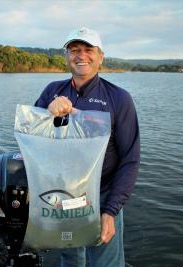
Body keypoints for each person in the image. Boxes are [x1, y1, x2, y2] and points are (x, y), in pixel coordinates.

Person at [35, 27, 140, 267]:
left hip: (102, 195)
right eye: (74, 50)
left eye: (88, 50)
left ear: (100, 56)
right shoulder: (52, 91)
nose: (81, 55)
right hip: (62, 195)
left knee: (106, 262)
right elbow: (31, 139)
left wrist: (111, 211)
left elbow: (130, 159)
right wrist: (45, 114)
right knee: (70, 258)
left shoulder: (119, 98)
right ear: (67, 57)